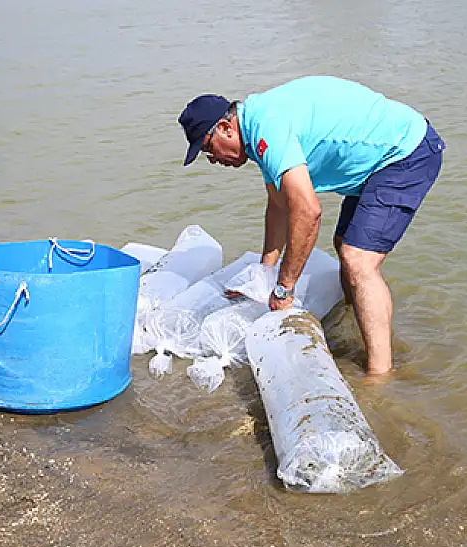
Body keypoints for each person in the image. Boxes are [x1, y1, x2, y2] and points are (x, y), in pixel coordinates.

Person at [177, 76, 444, 375]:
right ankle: (356, 324)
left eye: (208, 148)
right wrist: (262, 276)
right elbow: (279, 206)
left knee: (358, 261)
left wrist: (283, 290)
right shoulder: (256, 128)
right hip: (376, 162)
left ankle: (379, 378)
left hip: (405, 152)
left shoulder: (267, 130)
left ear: (226, 128)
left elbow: (308, 211)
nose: (212, 160)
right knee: (344, 244)